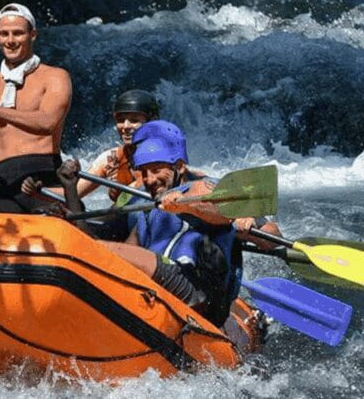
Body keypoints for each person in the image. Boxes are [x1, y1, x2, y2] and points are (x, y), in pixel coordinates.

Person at [94, 120, 280, 327]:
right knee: (102, 254)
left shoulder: (206, 188)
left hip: (200, 293)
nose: (150, 179)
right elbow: (127, 250)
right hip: (161, 286)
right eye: (144, 171)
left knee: (97, 250)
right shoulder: (148, 203)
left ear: (180, 166)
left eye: (156, 169)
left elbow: (273, 237)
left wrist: (188, 208)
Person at [0, 3, 72, 213]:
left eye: (18, 33)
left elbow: (47, 122)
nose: (10, 41)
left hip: (44, 177)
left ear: (33, 35)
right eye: (4, 34)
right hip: (3, 179)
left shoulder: (56, 77)